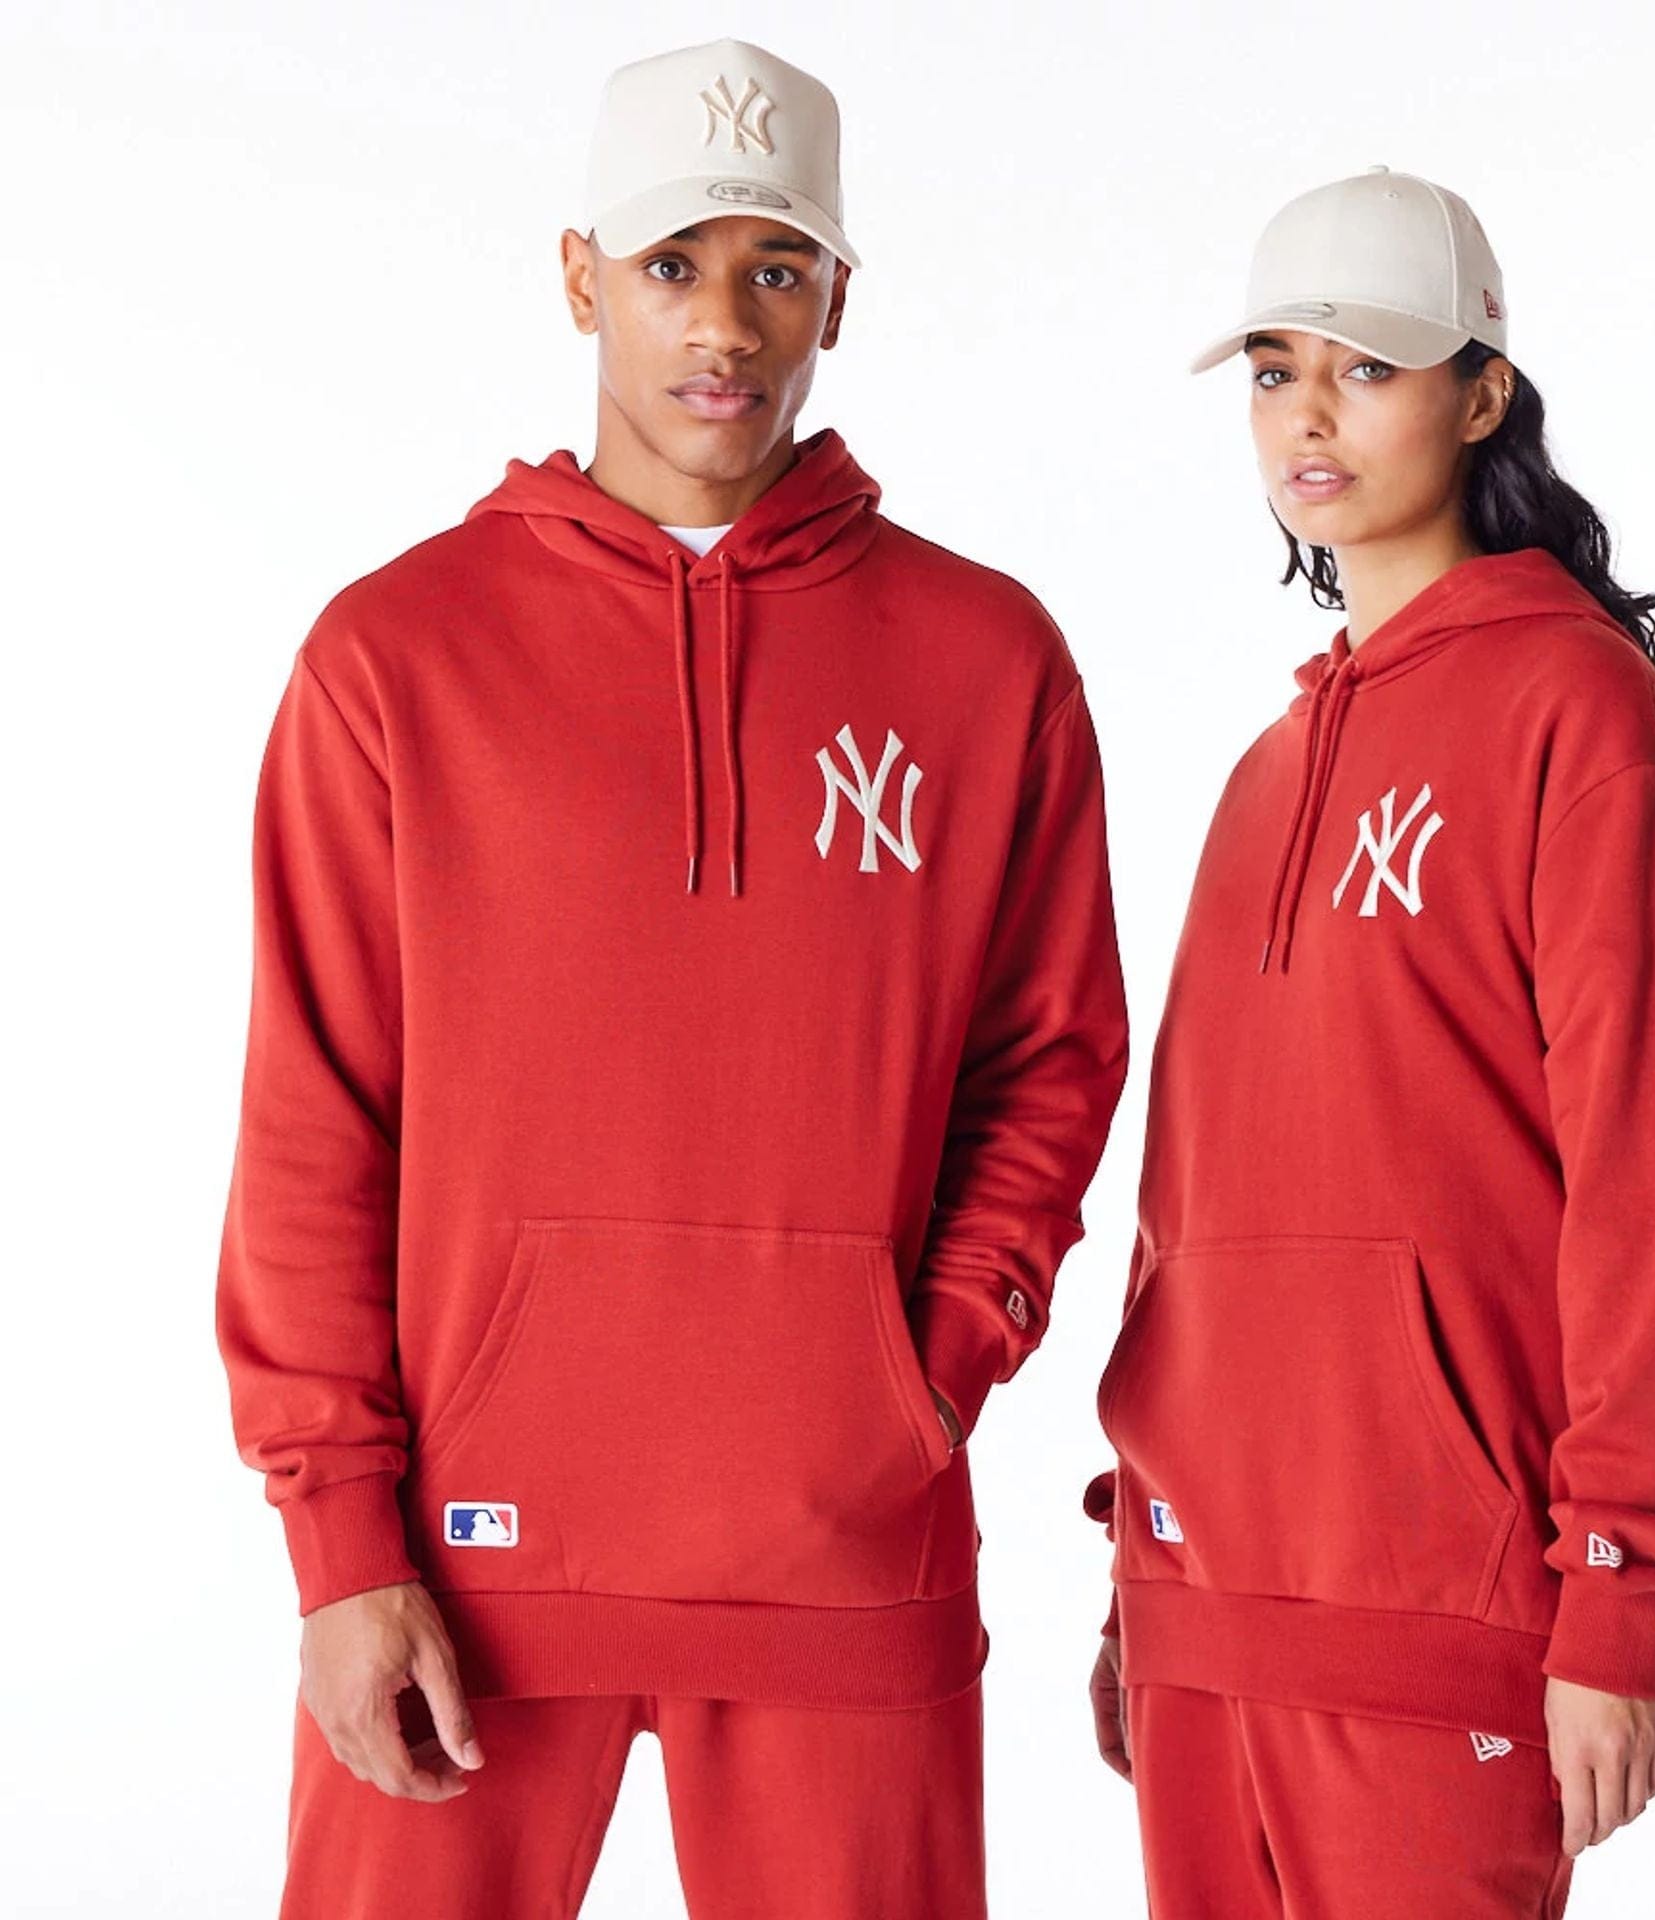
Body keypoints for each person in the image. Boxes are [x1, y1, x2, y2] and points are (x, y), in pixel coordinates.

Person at [215, 37, 1128, 1919]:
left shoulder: (986, 659)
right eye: (670, 265)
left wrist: (919, 1380)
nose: (724, 323)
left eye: (776, 267)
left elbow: (1047, 1066)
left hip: (846, 1552)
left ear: (838, 297)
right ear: (580, 278)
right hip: (461, 1564)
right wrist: (338, 1541)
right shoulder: (395, 656)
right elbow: (316, 1119)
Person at [1083, 166, 1655, 1918]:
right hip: (1203, 1600)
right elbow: (1190, 1200)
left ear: (1480, 396)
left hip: (1439, 1605)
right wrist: (1136, 1547)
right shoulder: (1264, 773)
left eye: (1367, 368)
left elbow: (1650, 1178)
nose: (1308, 414)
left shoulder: (1578, 712)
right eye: (1274, 370)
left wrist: (1618, 1592)